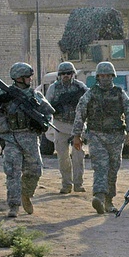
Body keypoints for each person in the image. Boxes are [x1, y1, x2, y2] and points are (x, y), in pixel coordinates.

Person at [0, 62, 55, 218]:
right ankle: (14, 205)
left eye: (30, 77)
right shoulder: (1, 94)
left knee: (36, 169)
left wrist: (42, 122)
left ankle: (26, 194)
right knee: (12, 172)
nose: (30, 80)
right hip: (9, 137)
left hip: (29, 138)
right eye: (27, 77)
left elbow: (49, 112)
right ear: (18, 78)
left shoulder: (35, 95)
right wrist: (0, 100)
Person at [71, 61, 129, 214]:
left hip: (116, 137)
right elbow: (80, 114)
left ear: (113, 76)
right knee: (101, 166)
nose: (105, 78)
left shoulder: (119, 93)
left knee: (113, 168)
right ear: (97, 77)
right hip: (96, 136)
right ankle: (99, 197)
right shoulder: (90, 94)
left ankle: (109, 201)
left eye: (108, 75)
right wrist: (77, 135)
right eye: (102, 75)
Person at [45, 61, 88, 194]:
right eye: (63, 74)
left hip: (77, 127)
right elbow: (47, 105)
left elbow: (88, 103)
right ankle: (66, 184)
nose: (66, 76)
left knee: (78, 156)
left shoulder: (80, 87)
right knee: (63, 157)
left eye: (68, 73)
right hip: (60, 126)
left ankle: (78, 184)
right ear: (59, 75)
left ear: (73, 74)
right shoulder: (54, 88)